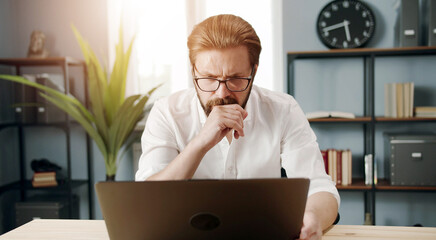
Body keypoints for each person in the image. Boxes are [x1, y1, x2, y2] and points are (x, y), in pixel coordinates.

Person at [136, 14, 339, 240]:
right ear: (193, 71)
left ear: (254, 71)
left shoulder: (284, 109)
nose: (222, 93)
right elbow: (146, 201)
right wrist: (201, 143)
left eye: (235, 79)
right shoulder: (167, 112)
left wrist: (312, 217)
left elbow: (321, 189)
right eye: (209, 78)